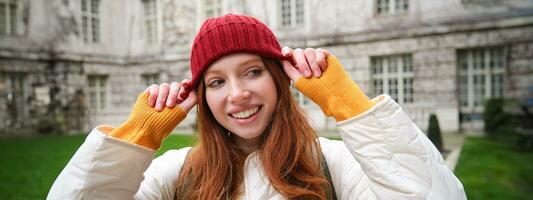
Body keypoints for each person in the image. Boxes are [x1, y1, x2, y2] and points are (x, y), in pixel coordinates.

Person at [47, 14, 466, 200]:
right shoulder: (176, 173)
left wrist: (349, 105)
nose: (237, 94)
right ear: (202, 97)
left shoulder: (334, 163)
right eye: (216, 82)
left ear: (281, 79)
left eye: (252, 72)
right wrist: (136, 138)